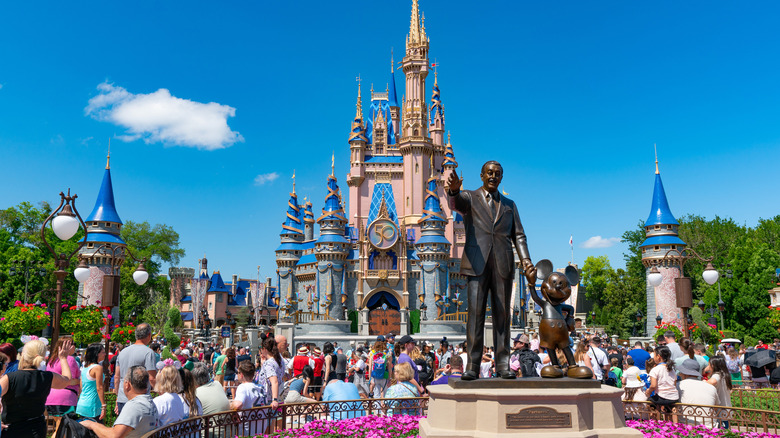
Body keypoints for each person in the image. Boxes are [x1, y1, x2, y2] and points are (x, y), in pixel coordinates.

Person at [447, 161, 534, 380]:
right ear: (482, 176)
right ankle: (473, 366)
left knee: (502, 316)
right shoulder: (470, 197)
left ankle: (503, 365)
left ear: (501, 178)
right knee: (475, 315)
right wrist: (454, 190)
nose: (493, 176)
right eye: (489, 173)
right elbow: (455, 204)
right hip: (477, 264)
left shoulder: (509, 205)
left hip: (503, 264)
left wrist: (526, 261)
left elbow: (519, 236)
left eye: (497, 174)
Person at [0, 339, 74, 438]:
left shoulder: (9, 378)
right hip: (37, 429)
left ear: (23, 355)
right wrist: (63, 358)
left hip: (12, 430)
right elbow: (67, 380)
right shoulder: (47, 377)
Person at [82, 366, 160, 438]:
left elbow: (114, 436)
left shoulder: (135, 406)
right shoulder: (149, 401)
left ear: (127, 384)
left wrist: (92, 425)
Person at [115, 323, 157, 415]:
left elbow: (117, 377)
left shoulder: (122, 352)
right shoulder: (148, 352)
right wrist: (160, 391)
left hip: (123, 396)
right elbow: (152, 378)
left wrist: (117, 397)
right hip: (139, 399)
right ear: (149, 335)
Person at [44, 336, 82, 422]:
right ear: (68, 346)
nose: (74, 347)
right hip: (65, 398)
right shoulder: (70, 359)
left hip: (51, 397)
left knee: (59, 427)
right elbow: (69, 381)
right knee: (64, 428)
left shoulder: (52, 360)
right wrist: (80, 381)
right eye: (73, 344)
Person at [76, 343, 107, 422]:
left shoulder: (85, 367)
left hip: (82, 404)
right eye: (103, 352)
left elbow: (81, 387)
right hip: (92, 405)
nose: (105, 354)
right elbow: (99, 387)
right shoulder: (97, 368)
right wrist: (103, 406)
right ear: (97, 354)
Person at [645, 346, 679, 410]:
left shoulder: (655, 369)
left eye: (654, 355)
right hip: (674, 397)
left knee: (649, 402)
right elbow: (674, 384)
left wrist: (648, 391)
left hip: (662, 397)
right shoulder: (672, 369)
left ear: (658, 356)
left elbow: (653, 385)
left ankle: (655, 418)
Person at [258, 337, 285, 410]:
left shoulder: (269, 363)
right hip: (277, 396)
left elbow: (274, 381)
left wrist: (274, 400)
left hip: (269, 399)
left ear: (265, 349)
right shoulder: (277, 360)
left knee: (268, 421)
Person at [706, 356, 733, 428]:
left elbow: (713, 381)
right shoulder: (725, 374)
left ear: (713, 365)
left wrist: (704, 383)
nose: (708, 367)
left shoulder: (717, 374)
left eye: (709, 365)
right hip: (726, 409)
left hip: (720, 410)